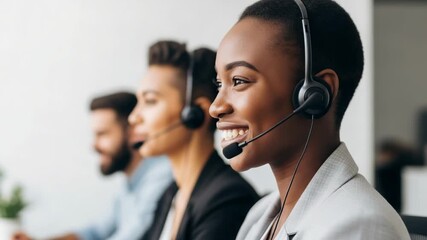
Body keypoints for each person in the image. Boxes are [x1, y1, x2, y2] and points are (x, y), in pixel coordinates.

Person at [209, 0, 410, 239]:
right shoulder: (260, 216)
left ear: (314, 95)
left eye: (239, 81)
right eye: (220, 84)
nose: (216, 107)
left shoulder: (360, 226)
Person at [128, 40, 259, 240]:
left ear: (196, 113)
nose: (134, 117)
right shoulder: (170, 195)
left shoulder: (227, 199)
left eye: (150, 101)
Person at [13, 92, 172, 240]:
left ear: (133, 132)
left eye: (102, 134)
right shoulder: (130, 185)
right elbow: (94, 232)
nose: (94, 145)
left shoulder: (160, 175)